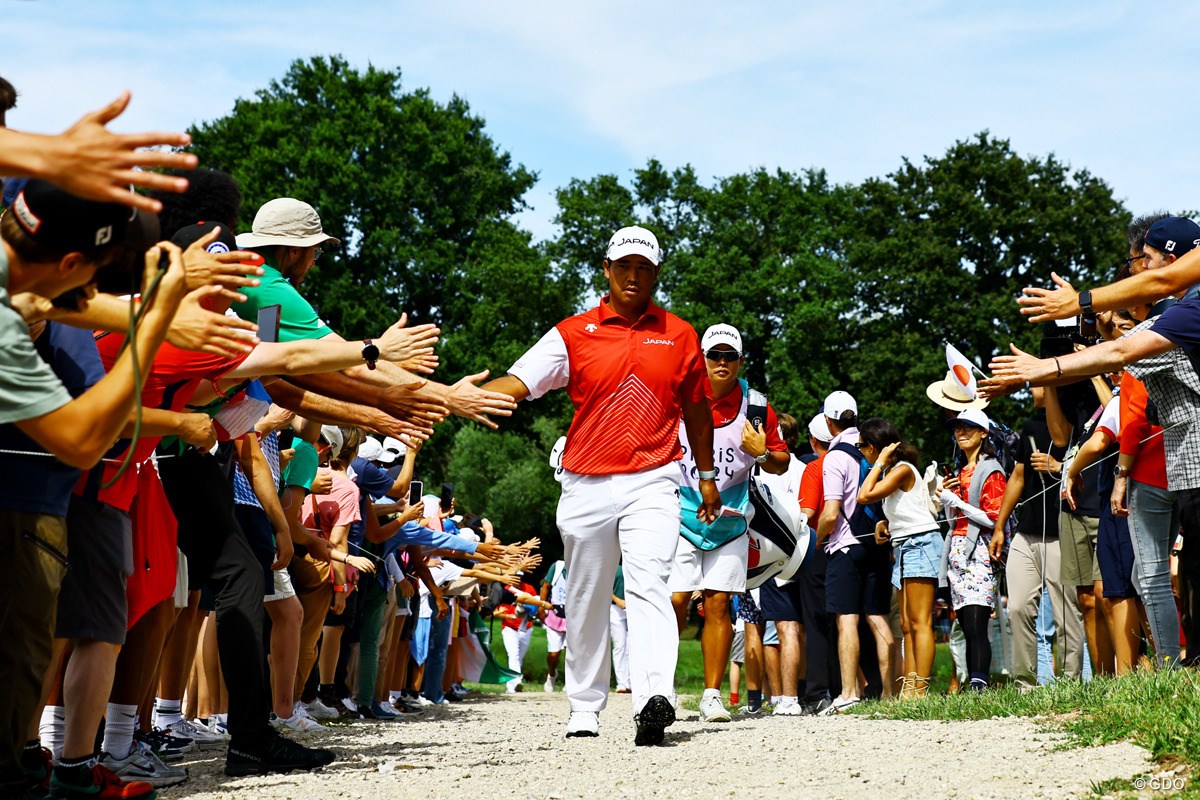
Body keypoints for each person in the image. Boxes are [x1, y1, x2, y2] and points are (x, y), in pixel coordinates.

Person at [480, 225, 720, 745]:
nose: (633, 276)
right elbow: (521, 382)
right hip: (585, 481)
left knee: (650, 581)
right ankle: (585, 706)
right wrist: (467, 398)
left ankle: (656, 697)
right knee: (587, 597)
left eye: (644, 268)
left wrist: (705, 477)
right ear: (607, 271)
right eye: (624, 266)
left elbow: (698, 410)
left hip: (654, 478)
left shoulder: (680, 335)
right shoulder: (573, 332)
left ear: (656, 273)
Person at [0, 181, 192, 799]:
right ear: (71, 266)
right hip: (28, 503)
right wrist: (158, 319)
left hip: (42, 501)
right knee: (28, 657)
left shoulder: (29, 291)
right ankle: (54, 769)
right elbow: (84, 439)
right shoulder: (19, 315)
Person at [669, 324, 789, 723]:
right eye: (714, 355)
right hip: (680, 514)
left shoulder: (755, 406)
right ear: (701, 358)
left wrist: (761, 454)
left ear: (741, 361)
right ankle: (660, 687)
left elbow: (781, 460)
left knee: (719, 604)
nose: (721, 363)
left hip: (731, 519)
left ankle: (711, 696)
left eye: (729, 356)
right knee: (675, 601)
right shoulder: (677, 395)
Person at [993, 386, 1083, 687]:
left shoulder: (1078, 422)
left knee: (1065, 614)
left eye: (1037, 382)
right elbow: (1017, 477)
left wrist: (1058, 467)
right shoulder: (1030, 426)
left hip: (1062, 532)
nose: (1031, 388)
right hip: (1025, 533)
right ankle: (1024, 684)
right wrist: (999, 527)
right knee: (1017, 607)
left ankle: (1070, 683)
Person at [816, 391, 892, 713]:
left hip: (846, 546)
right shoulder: (871, 451)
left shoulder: (834, 457)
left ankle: (849, 693)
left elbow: (831, 512)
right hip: (877, 543)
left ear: (830, 421)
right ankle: (890, 692)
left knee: (846, 619)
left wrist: (818, 539)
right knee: (877, 617)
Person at [855, 419, 941, 698]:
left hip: (921, 544)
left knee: (919, 621)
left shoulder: (901, 469)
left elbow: (864, 495)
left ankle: (920, 689)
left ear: (874, 447)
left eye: (861, 446)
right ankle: (910, 685)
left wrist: (878, 463)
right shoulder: (894, 471)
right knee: (905, 624)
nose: (860, 451)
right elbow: (904, 509)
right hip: (905, 545)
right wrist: (885, 524)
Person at [937, 408, 1007, 691]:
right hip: (957, 550)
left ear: (983, 432)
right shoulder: (959, 471)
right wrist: (946, 501)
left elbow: (994, 517)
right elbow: (953, 520)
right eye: (957, 428)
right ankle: (975, 682)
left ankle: (980, 682)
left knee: (977, 622)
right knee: (966, 624)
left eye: (968, 427)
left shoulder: (991, 469)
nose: (961, 433)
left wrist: (959, 501)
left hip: (979, 550)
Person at [541, 560, 568, 692]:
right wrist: (541, 607)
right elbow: (546, 586)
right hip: (555, 615)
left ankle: (570, 681)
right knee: (554, 653)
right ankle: (552, 675)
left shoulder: (583, 566)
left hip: (574, 617)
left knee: (572, 652)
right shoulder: (558, 567)